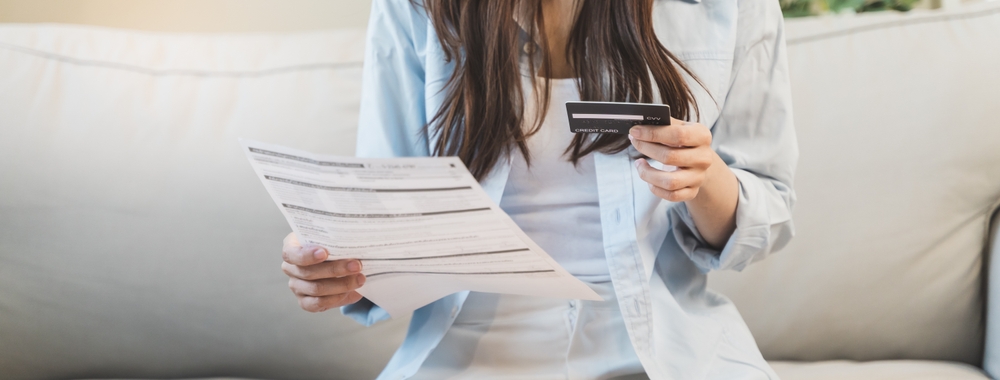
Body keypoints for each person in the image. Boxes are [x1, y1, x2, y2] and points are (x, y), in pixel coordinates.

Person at [280, 0, 797, 378]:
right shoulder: (415, 7)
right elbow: (383, 210)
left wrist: (704, 179)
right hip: (469, 352)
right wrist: (332, 258)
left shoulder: (734, 8)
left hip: (662, 347)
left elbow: (767, 211)